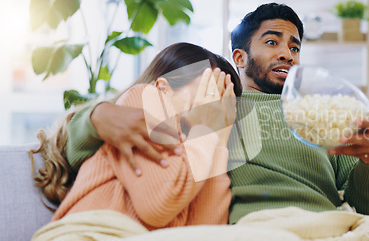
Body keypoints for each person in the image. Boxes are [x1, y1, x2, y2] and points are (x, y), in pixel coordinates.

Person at [53, 3, 369, 240]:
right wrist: (96, 114)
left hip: (343, 228)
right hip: (261, 231)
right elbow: (110, 129)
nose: (288, 52)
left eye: (295, 45)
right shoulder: (212, 92)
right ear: (239, 57)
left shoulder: (318, 112)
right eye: (273, 41)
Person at [30, 42, 242, 240]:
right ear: (163, 88)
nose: (214, 109)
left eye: (224, 101)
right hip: (90, 232)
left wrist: (219, 142)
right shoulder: (144, 98)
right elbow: (157, 205)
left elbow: (205, 231)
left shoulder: (201, 147)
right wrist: (204, 133)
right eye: (210, 93)